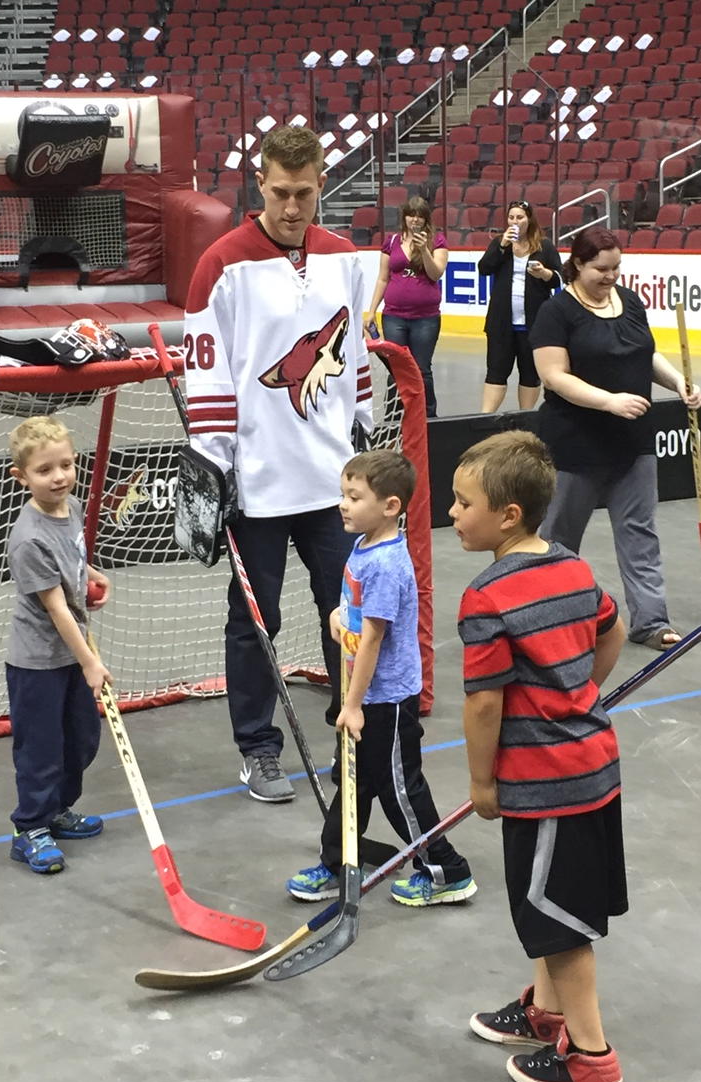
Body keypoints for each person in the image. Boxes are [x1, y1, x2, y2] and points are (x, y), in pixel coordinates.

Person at [183, 125, 373, 804]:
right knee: (255, 619)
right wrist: (214, 465)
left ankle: (348, 734)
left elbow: (353, 364)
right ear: (259, 184)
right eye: (281, 192)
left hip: (331, 484)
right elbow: (205, 374)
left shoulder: (343, 257)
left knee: (346, 610)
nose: (293, 206)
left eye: (305, 192)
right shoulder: (221, 265)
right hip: (256, 486)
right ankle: (257, 749)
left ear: (321, 182)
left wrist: (362, 443)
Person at [451, 430, 627, 1082]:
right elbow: (609, 627)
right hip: (594, 768)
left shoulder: (487, 596)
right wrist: (578, 690)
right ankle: (545, 1013)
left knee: (559, 920)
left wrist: (480, 780)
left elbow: (482, 706)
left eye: (464, 502)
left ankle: (589, 1055)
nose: (453, 514)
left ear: (508, 515)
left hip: (546, 783)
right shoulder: (571, 566)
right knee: (557, 905)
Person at [286, 450, 476, 906]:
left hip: (384, 699)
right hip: (364, 692)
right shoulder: (364, 545)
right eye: (343, 495)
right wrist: (338, 615)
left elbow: (372, 640)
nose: (343, 505)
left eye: (354, 497)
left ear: (390, 506)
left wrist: (351, 705)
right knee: (353, 781)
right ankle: (336, 860)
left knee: (398, 787)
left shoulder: (388, 563)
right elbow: (358, 614)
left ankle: (445, 868)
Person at [531, 226, 701, 651]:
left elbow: (647, 353)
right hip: (575, 443)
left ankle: (650, 621)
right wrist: (608, 401)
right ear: (578, 265)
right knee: (560, 537)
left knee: (640, 532)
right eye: (600, 269)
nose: (610, 276)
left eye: (616, 267)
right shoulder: (557, 312)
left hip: (634, 441)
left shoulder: (630, 301)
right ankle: (548, 619)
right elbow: (553, 376)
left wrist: (679, 382)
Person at [5, 415, 112, 873]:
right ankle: (30, 826)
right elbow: (57, 609)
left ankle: (57, 810)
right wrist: (90, 662)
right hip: (38, 664)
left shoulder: (66, 512)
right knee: (41, 747)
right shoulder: (27, 538)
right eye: (45, 470)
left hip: (71, 655)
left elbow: (71, 558)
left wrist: (90, 575)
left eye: (66, 465)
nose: (59, 477)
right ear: (22, 477)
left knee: (82, 739)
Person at [363, 196, 447, 418]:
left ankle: (428, 415)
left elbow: (436, 273)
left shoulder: (436, 241)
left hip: (425, 318)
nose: (415, 220)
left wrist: (424, 251)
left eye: (420, 216)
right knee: (396, 368)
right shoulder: (391, 242)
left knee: (421, 368)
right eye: (411, 215)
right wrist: (371, 310)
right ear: (404, 217)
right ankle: (394, 414)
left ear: (426, 219)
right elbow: (383, 278)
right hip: (393, 316)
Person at [477, 200, 562, 413]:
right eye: (511, 217)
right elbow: (484, 268)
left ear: (529, 220)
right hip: (501, 323)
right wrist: (502, 246)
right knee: (496, 372)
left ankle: (525, 418)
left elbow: (560, 279)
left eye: (520, 217)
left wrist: (544, 274)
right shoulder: (499, 244)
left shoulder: (544, 246)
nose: (515, 222)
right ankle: (485, 417)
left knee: (530, 375)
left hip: (534, 324)